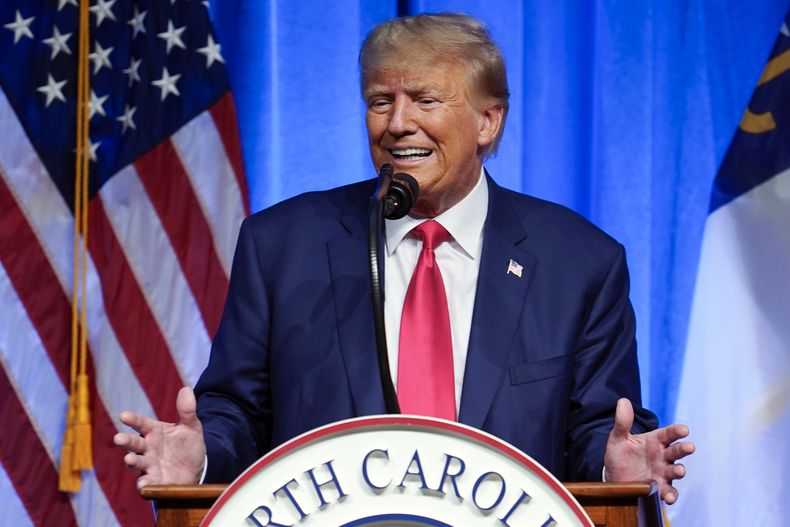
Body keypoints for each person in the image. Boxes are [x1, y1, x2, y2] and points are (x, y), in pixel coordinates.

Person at [114, 13, 694, 504]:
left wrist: (613, 469)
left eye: (425, 100)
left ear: (487, 121)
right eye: (380, 101)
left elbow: (594, 427)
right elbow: (237, 410)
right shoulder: (281, 244)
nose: (397, 124)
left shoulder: (580, 262)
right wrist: (204, 456)